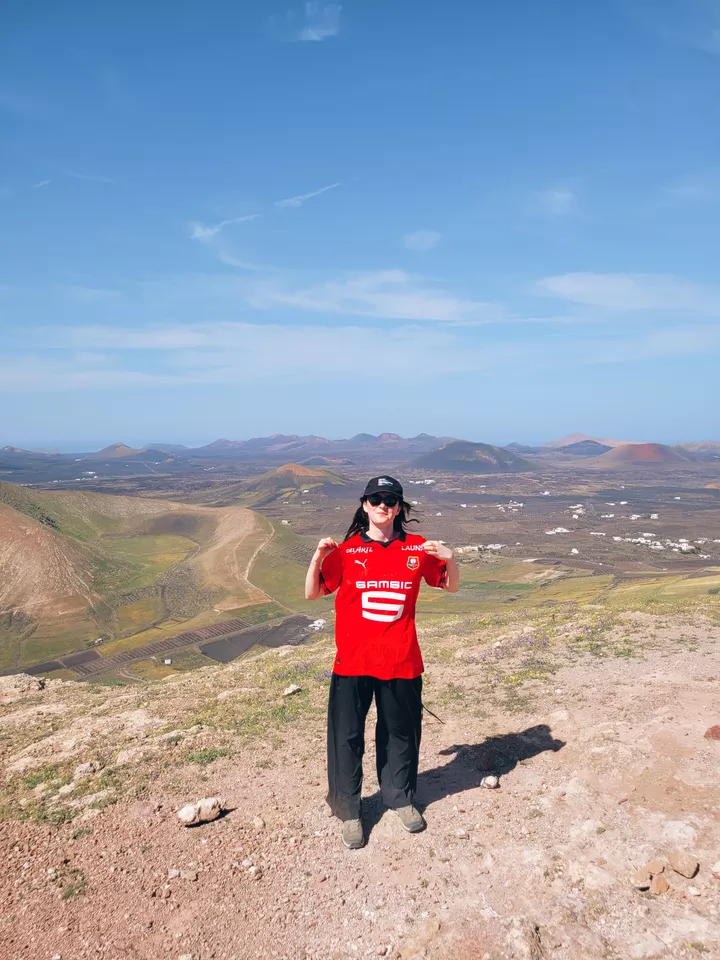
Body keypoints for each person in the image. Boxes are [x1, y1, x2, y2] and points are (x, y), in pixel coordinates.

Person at [304, 475, 459, 849]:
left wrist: (452, 560)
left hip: (402, 661)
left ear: (399, 507)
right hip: (352, 663)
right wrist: (317, 558)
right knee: (347, 738)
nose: (383, 505)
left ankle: (400, 798)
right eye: (376, 499)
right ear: (364, 505)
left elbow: (449, 586)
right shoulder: (348, 549)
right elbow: (312, 593)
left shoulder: (418, 548)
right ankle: (349, 811)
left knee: (401, 734)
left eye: (390, 500)